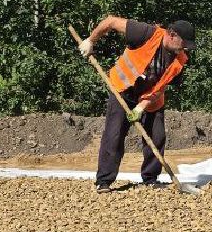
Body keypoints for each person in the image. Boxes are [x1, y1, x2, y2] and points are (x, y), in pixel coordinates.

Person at [78, 16, 195, 192]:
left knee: (156, 136)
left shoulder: (180, 61)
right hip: (122, 89)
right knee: (114, 135)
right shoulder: (146, 33)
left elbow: (161, 87)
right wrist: (90, 40)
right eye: (183, 43)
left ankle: (150, 179)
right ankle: (104, 181)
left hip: (151, 99)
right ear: (171, 35)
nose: (184, 49)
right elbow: (110, 21)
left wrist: (141, 107)